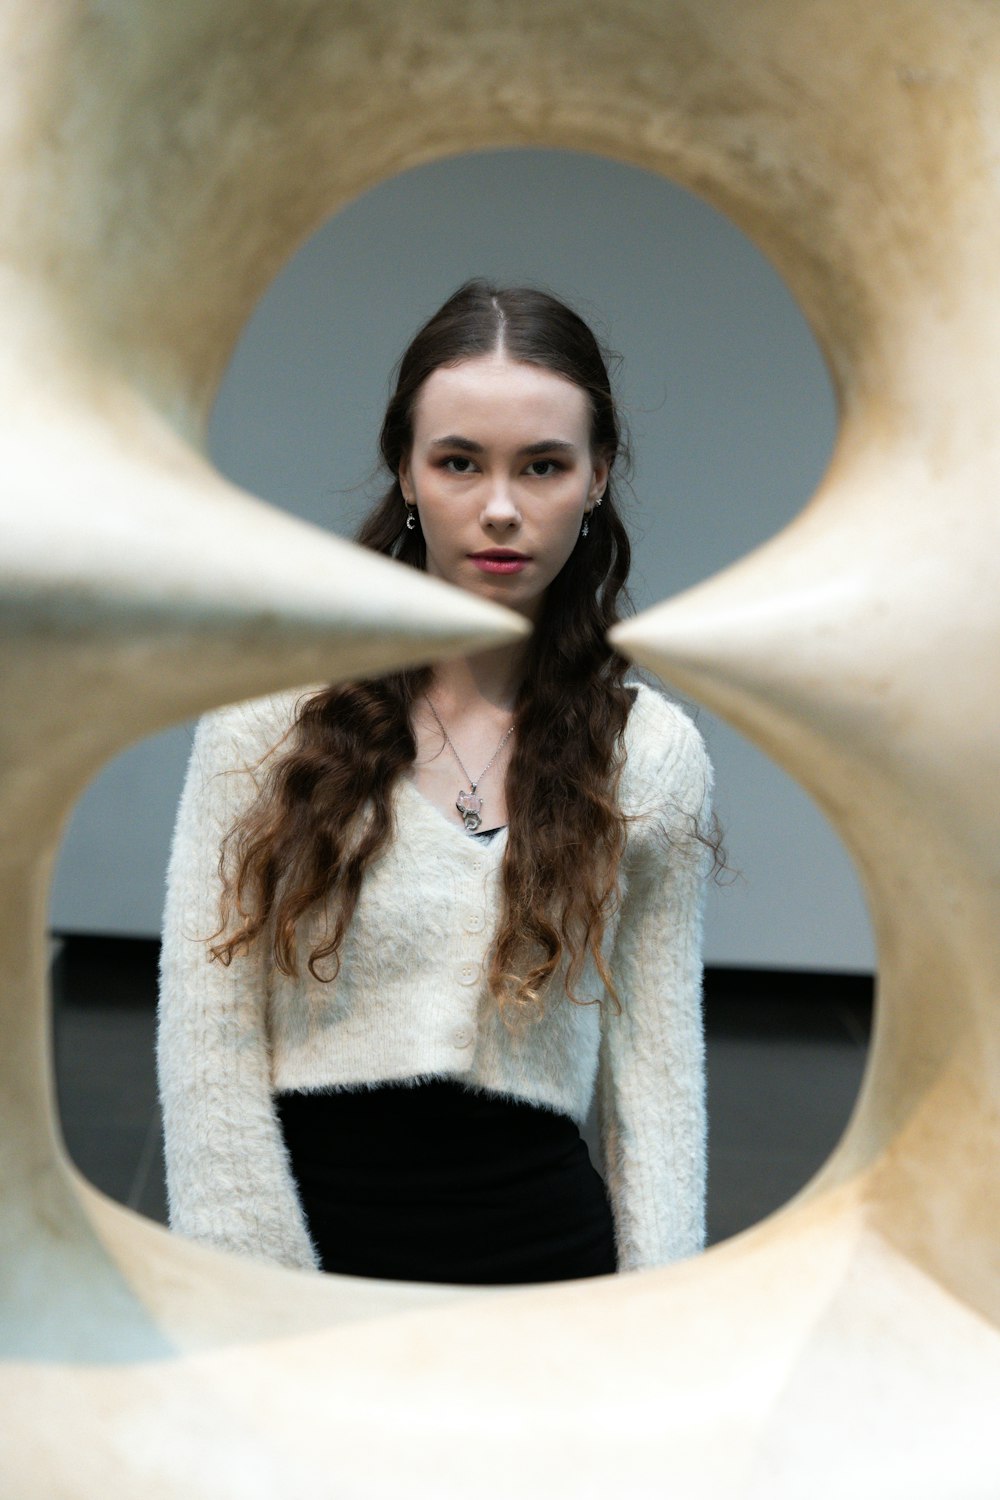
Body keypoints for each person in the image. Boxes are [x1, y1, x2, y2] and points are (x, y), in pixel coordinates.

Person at [157, 280, 714, 1285]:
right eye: (460, 462)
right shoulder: (272, 714)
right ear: (406, 474)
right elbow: (208, 1032)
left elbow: (658, 1082)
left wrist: (658, 1323)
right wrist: (246, 1291)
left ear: (596, 479)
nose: (499, 507)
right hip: (312, 1254)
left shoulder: (650, 754)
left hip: (546, 1270)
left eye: (542, 466)